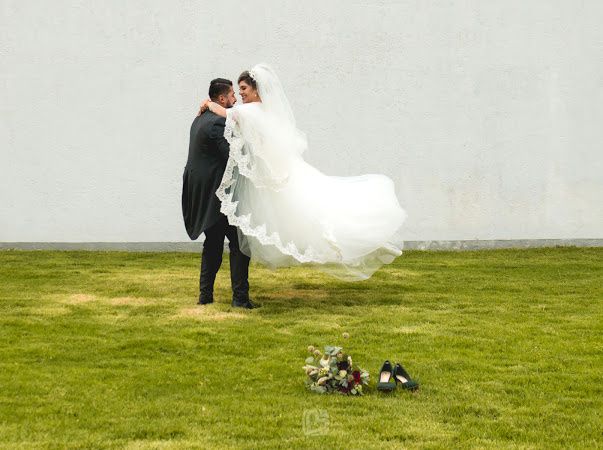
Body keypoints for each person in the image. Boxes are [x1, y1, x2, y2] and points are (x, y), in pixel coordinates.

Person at [198, 64, 407, 281]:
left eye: (243, 88)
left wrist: (208, 103)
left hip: (275, 176)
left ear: (257, 90)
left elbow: (224, 112)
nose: (240, 93)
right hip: (286, 171)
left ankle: (356, 237)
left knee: (308, 215)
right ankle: (363, 236)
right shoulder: (263, 111)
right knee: (315, 209)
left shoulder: (251, 110)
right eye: (238, 89)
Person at [182, 78, 258, 309]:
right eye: (233, 95)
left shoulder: (199, 119)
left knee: (213, 244)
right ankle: (240, 298)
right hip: (219, 199)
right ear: (222, 98)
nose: (235, 99)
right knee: (239, 244)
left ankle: (205, 296)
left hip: (207, 197)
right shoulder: (216, 124)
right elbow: (233, 157)